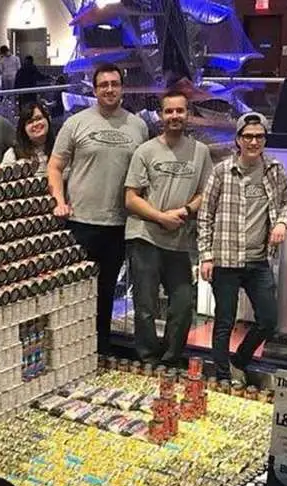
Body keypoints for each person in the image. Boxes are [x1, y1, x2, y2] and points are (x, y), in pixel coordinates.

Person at [49, 63, 148, 354]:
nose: (109, 89)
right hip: (80, 222)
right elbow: (55, 166)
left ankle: (100, 352)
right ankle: (70, 353)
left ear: (122, 87)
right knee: (75, 291)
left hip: (118, 224)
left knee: (105, 294)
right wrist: (60, 201)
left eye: (114, 83)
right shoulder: (76, 123)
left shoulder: (138, 126)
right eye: (103, 84)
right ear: (94, 90)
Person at [197, 112, 287, 382]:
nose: (253, 141)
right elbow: (205, 215)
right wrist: (206, 256)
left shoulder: (276, 170)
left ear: (265, 139)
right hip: (225, 259)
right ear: (238, 139)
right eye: (248, 136)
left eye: (259, 136)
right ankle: (222, 375)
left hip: (258, 260)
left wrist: (282, 223)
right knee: (224, 323)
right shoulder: (221, 172)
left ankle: (239, 360)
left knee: (268, 320)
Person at [123, 88, 213, 365]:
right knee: (146, 307)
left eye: (180, 111)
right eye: (169, 111)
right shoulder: (145, 151)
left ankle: (172, 360)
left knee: (183, 305)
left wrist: (185, 211)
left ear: (188, 114)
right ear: (161, 115)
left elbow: (205, 193)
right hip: (145, 237)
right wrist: (160, 217)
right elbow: (130, 198)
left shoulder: (200, 153)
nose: (175, 116)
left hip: (179, 242)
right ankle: (148, 360)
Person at [2, 101, 55, 174]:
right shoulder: (13, 154)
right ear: (23, 129)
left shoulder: (61, 147)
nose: (36, 124)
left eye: (39, 118)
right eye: (30, 122)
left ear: (47, 120)